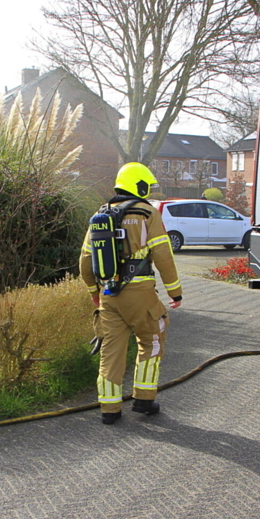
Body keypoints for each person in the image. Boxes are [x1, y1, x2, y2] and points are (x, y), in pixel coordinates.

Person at [79, 162, 182, 425]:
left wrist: (94, 291)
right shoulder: (147, 213)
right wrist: (175, 291)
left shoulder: (100, 214)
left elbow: (85, 259)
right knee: (152, 341)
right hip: (140, 294)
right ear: (139, 184)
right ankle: (144, 400)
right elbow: (162, 254)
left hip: (108, 295)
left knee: (110, 351)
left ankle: (109, 411)